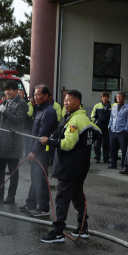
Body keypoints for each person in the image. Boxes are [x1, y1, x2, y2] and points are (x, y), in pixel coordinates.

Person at [39, 90, 101, 243]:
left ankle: (58, 233)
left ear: (77, 102)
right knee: (78, 198)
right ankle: (82, 228)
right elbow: (97, 131)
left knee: (62, 200)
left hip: (69, 167)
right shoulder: (82, 118)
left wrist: (50, 142)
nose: (65, 103)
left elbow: (67, 145)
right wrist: (84, 147)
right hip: (79, 166)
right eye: (64, 100)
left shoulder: (75, 121)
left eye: (68, 100)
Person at [20, 84, 58, 217]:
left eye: (38, 94)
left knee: (40, 178)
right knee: (35, 177)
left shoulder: (49, 112)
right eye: (34, 94)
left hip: (42, 152)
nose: (35, 97)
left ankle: (43, 207)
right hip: (37, 150)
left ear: (47, 96)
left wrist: (34, 151)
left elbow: (42, 134)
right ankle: (31, 203)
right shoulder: (40, 110)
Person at [0, 80, 28, 204]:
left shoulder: (22, 104)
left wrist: (5, 111)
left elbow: (19, 120)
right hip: (1, 143)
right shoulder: (4, 102)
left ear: (16, 90)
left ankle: (11, 196)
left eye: (10, 89)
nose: (7, 92)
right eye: (5, 90)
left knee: (13, 173)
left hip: (13, 144)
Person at [108, 91, 128, 171]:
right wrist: (109, 127)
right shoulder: (114, 107)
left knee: (124, 149)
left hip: (122, 131)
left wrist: (126, 129)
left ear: (124, 98)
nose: (118, 98)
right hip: (113, 131)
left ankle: (123, 165)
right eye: (117, 96)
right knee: (113, 148)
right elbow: (111, 118)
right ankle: (113, 163)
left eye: (120, 96)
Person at [90, 91, 113, 164]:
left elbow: (113, 117)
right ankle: (97, 157)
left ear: (108, 98)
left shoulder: (112, 107)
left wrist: (110, 125)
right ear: (101, 98)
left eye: (106, 97)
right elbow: (92, 116)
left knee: (107, 143)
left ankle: (106, 158)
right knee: (97, 143)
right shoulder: (97, 106)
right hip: (98, 127)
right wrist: (97, 123)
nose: (104, 98)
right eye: (103, 97)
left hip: (107, 127)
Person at [18, 89, 34, 157]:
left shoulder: (28, 103)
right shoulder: (15, 102)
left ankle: (27, 156)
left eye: (21, 93)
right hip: (18, 125)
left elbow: (30, 113)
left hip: (26, 126)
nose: (19, 94)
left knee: (26, 142)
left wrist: (21, 115)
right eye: (18, 93)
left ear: (23, 94)